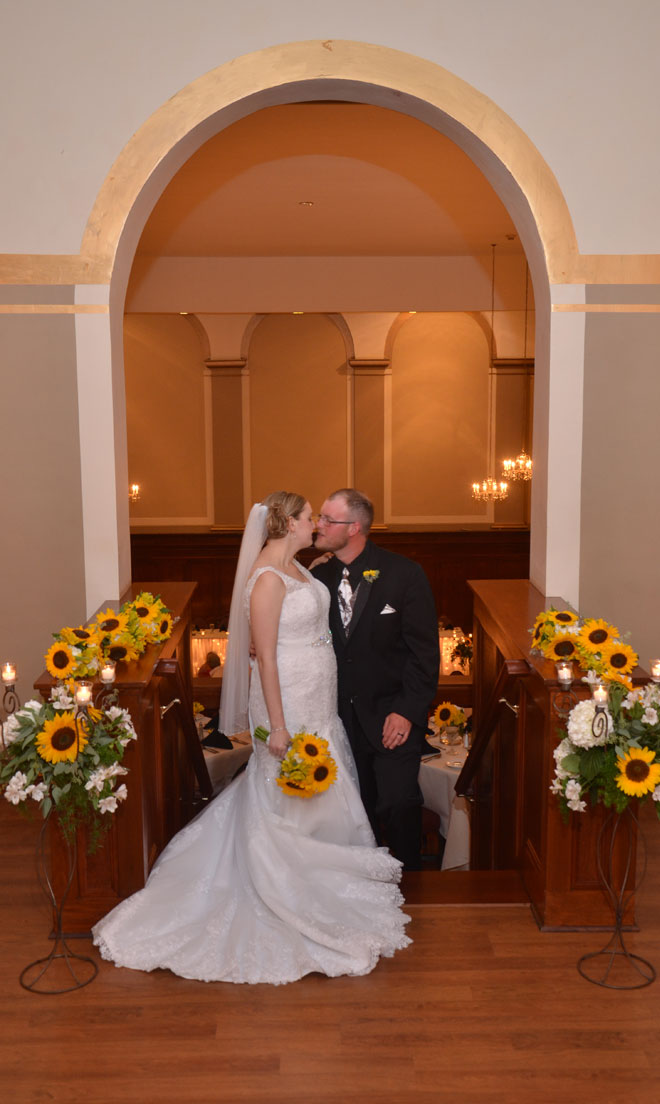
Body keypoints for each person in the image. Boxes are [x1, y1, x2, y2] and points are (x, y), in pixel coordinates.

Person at [92, 491, 410, 984]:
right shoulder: (265, 579)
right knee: (285, 788)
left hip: (319, 701)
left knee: (321, 784)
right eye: (310, 518)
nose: (317, 525)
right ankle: (286, 889)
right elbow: (266, 659)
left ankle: (321, 883)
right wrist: (278, 726)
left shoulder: (302, 567)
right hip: (288, 703)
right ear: (289, 525)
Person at [312, 489, 439, 870]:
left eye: (327, 520)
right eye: (319, 517)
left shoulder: (405, 574)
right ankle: (364, 883)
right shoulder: (317, 576)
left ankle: (410, 878)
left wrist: (406, 712)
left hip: (391, 715)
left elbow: (424, 654)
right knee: (355, 808)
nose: (318, 525)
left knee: (398, 801)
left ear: (354, 528)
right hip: (336, 718)